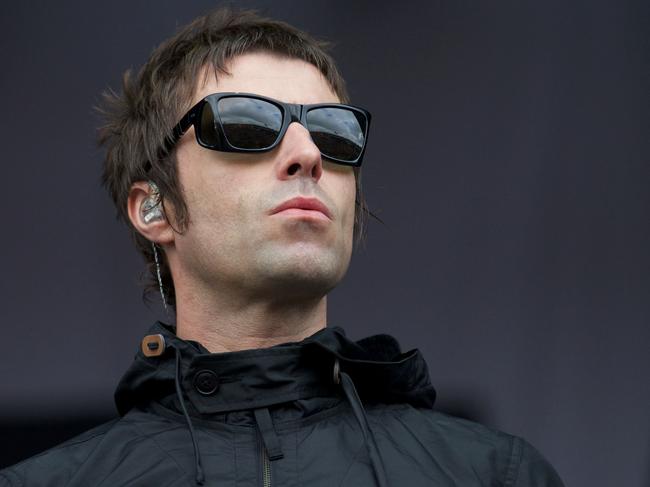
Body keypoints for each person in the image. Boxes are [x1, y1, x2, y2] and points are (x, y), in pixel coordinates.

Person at [1, 8, 564, 487]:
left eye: (335, 132)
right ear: (156, 209)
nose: (308, 152)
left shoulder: (495, 475)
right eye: (246, 125)